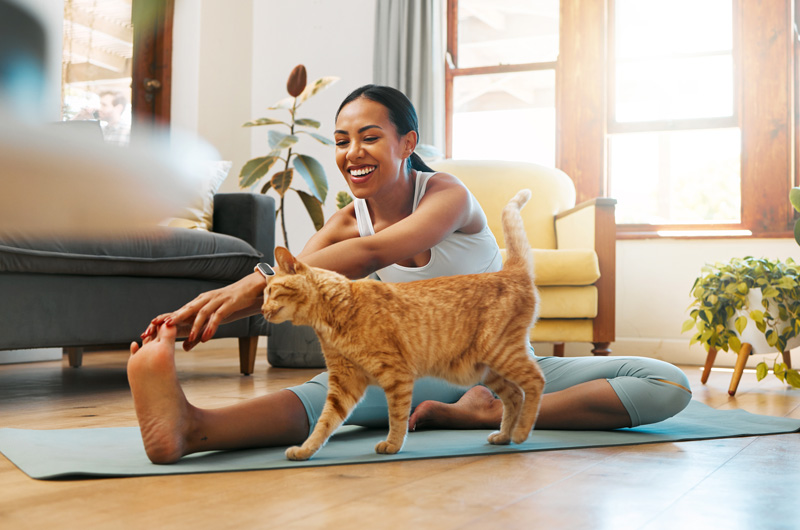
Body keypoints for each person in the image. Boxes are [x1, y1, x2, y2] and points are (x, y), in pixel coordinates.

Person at [129, 84, 692, 464]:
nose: (353, 153)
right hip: (404, 368)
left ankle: (486, 410)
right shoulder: (346, 220)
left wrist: (246, 282)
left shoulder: (448, 196)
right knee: (329, 392)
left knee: (667, 384)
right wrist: (197, 313)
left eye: (370, 136)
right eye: (342, 141)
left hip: (496, 362)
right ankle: (191, 427)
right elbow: (293, 285)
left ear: (407, 143)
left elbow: (376, 254)